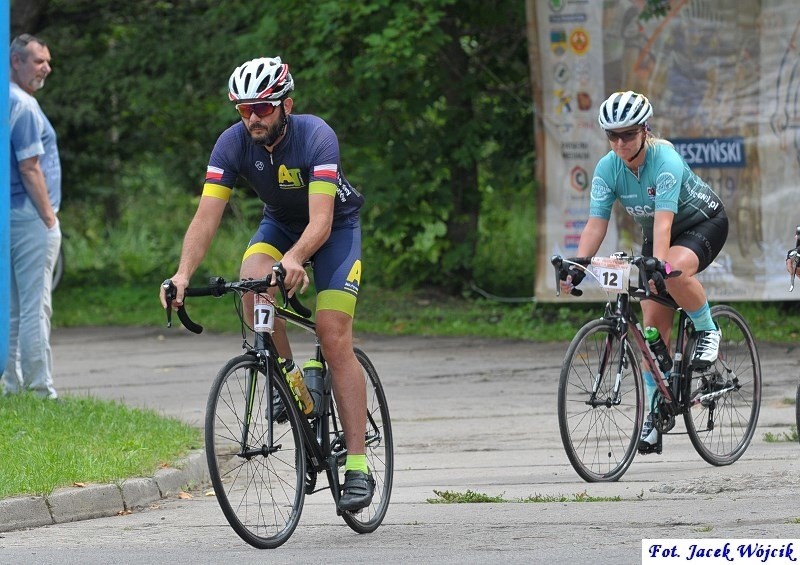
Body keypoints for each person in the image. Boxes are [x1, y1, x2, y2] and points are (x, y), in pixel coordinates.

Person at [159, 57, 372, 511]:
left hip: (333, 231)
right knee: (254, 281)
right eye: (243, 110)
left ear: (285, 105)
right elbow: (206, 216)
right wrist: (182, 274)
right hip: (278, 225)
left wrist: (296, 258)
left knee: (335, 338)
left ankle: (357, 464)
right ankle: (291, 378)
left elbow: (321, 219)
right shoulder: (231, 144)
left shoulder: (316, 136)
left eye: (262, 108)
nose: (252, 118)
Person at [560, 91, 728, 455]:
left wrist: (658, 265)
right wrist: (577, 265)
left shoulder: (664, 159)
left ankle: (708, 329)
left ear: (645, 130)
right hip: (660, 233)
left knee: (671, 271)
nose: (620, 143)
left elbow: (665, 225)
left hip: (702, 223)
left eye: (629, 134)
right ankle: (656, 413)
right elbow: (595, 225)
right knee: (652, 333)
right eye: (612, 136)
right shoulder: (608, 168)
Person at [4, 34, 61, 400]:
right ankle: (41, 391)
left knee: (9, 308)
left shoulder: (5, 100)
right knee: (35, 306)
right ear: (16, 61)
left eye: (47, 61)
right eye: (39, 61)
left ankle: (11, 387)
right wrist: (49, 219)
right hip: (29, 217)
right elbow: (29, 167)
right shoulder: (23, 104)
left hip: (8, 213)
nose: (46, 68)